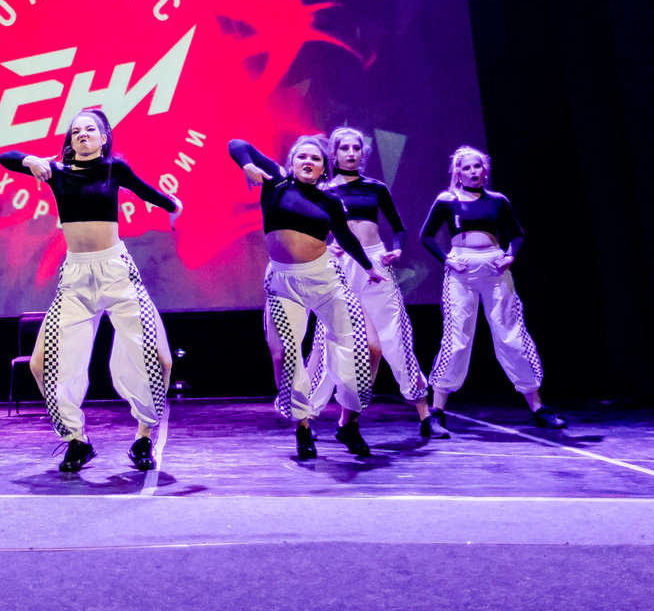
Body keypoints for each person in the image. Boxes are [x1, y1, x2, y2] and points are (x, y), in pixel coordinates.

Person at [1, 107, 180, 474]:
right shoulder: (56, 172)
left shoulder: (115, 168)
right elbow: (5, 158)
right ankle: (77, 440)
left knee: (160, 360)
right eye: (76, 131)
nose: (82, 134)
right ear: (70, 140)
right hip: (76, 277)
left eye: (90, 129)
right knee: (39, 364)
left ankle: (144, 435)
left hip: (117, 272)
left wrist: (173, 205)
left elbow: (146, 191)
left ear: (103, 138)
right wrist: (29, 159)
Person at [231, 134, 377, 460]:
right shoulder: (277, 182)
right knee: (284, 354)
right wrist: (248, 166)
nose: (308, 161)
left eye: (315, 158)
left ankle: (349, 423)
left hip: (326, 278)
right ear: (292, 162)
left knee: (361, 348)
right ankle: (303, 426)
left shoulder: (329, 201)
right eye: (302, 157)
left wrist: (368, 266)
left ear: (324, 168)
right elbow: (238, 144)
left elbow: (346, 238)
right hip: (284, 282)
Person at [420, 145, 566, 429]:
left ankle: (538, 407)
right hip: (462, 271)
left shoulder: (498, 201)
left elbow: (517, 235)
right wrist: (447, 260)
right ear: (458, 173)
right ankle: (437, 412)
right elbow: (426, 236)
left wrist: (509, 257)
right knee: (456, 339)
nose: (473, 171)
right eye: (467, 167)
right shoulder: (447, 200)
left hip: (495, 270)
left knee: (512, 336)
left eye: (478, 166)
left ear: (485, 170)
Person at [323, 127, 441, 439]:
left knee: (396, 335)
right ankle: (317, 417)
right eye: (344, 148)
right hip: (341, 266)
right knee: (333, 340)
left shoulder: (375, 187)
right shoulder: (324, 191)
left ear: (363, 153)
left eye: (356, 148)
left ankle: (425, 414)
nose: (351, 153)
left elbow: (399, 227)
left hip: (375, 262)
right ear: (333, 154)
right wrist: (326, 247)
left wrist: (397, 250)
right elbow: (313, 232)